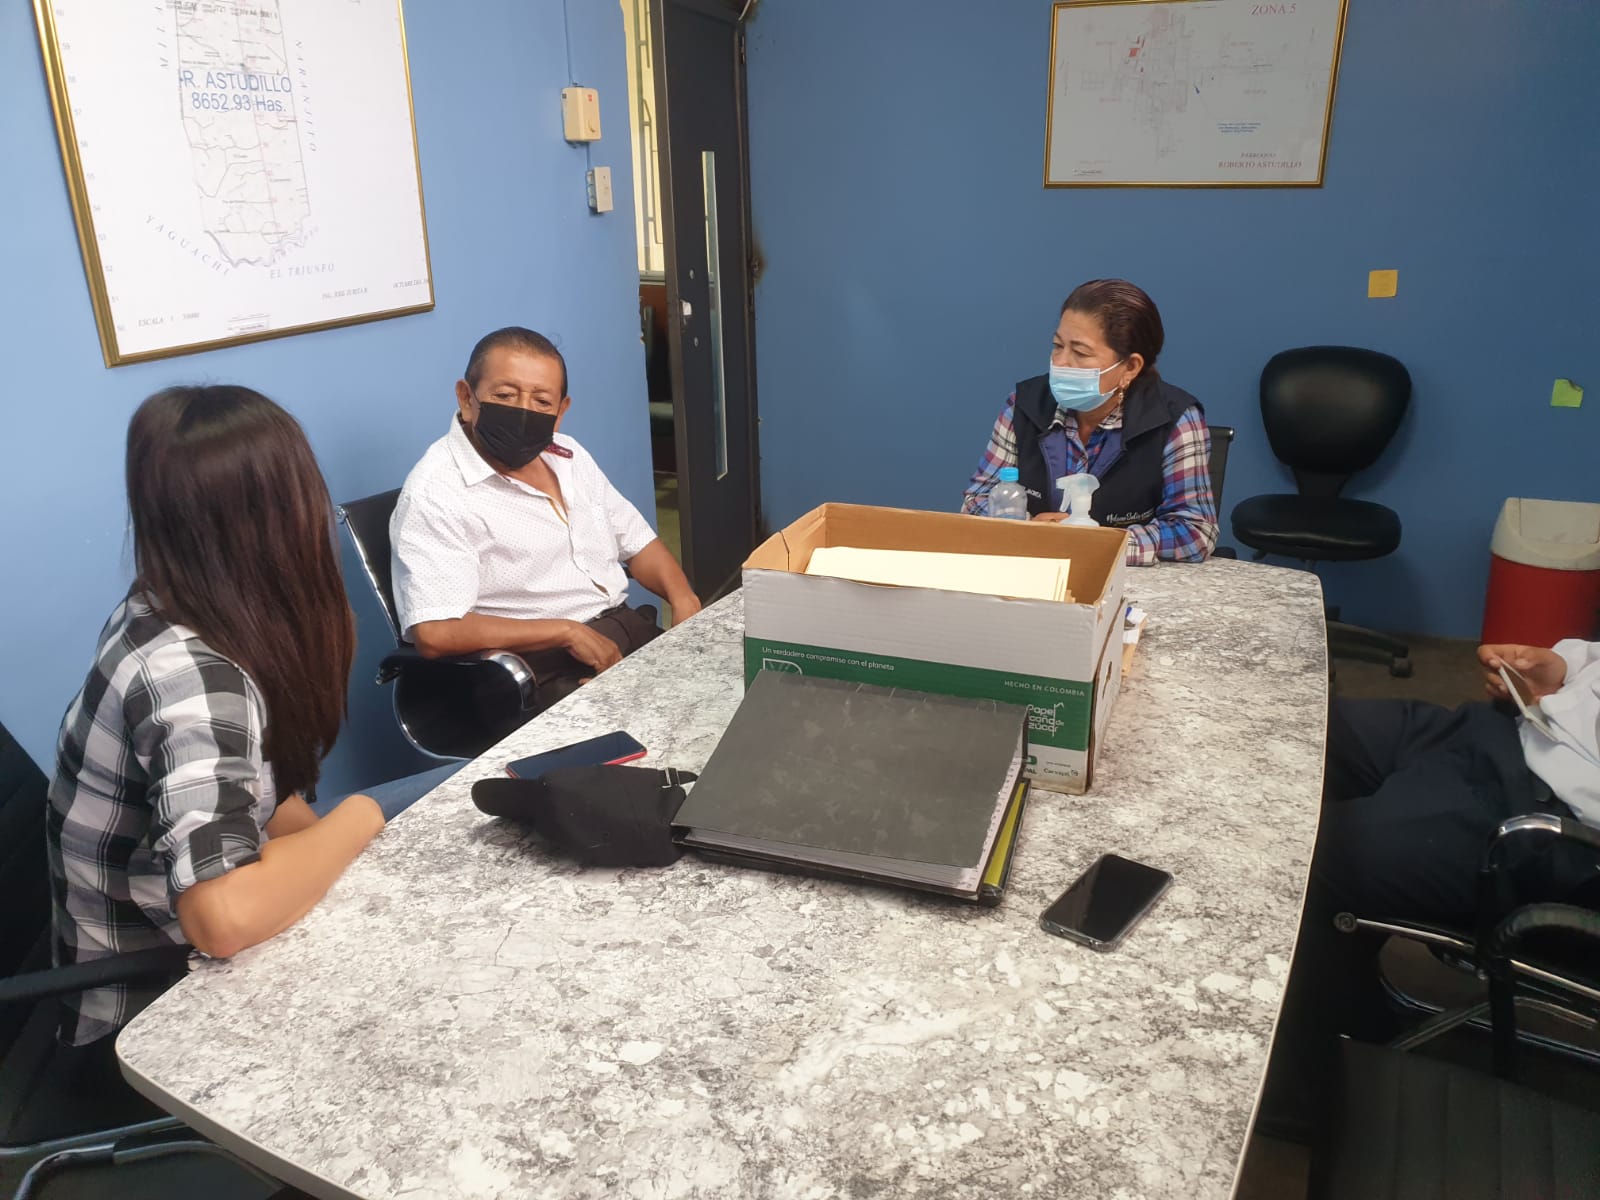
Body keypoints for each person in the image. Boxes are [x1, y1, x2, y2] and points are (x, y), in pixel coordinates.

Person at [48, 385, 447, 1059]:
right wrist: (358, 818)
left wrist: (322, 848)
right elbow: (222, 918)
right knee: (422, 806)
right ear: (277, 516)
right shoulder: (191, 679)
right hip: (148, 1020)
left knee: (448, 797)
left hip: (176, 952)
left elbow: (258, 787)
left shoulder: (163, 604)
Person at [1262, 637, 1600, 1136]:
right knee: (1285, 731)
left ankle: (1304, 1087)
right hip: (1508, 736)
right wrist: (1567, 667)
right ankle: (1344, 988)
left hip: (1549, 827)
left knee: (1293, 860)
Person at [391, 326, 700, 709]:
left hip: (620, 633)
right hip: (534, 669)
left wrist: (683, 598)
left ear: (560, 411)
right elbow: (435, 631)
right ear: (467, 397)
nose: (523, 412)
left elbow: (638, 543)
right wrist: (565, 632)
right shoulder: (437, 492)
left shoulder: (568, 455)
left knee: (735, 687)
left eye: (541, 401)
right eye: (505, 395)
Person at [960, 279, 1218, 566]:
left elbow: (1196, 532)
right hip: (1032, 570)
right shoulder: (1024, 405)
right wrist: (1030, 528)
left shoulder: (1175, 419)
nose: (1061, 362)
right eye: (1057, 346)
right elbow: (976, 501)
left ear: (1130, 367)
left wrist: (1095, 542)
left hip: (1125, 579)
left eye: (1080, 353)